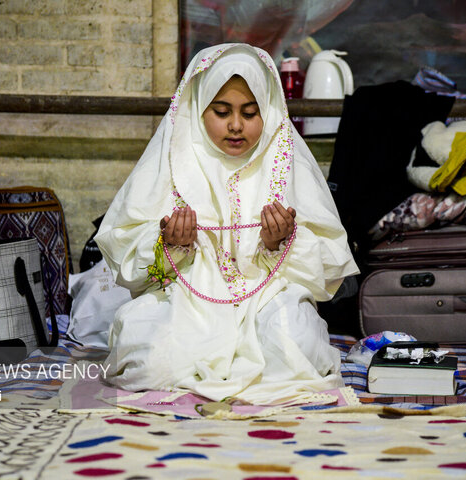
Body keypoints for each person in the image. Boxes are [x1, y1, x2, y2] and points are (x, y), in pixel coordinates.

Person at [95, 43, 359, 405]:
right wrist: (170, 244)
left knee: (297, 344)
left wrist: (280, 243)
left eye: (250, 113)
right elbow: (125, 251)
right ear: (198, 106)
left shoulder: (284, 159)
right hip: (184, 296)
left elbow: (330, 267)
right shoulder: (172, 157)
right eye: (222, 111)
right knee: (150, 358)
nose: (236, 126)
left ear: (267, 109)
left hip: (268, 297)